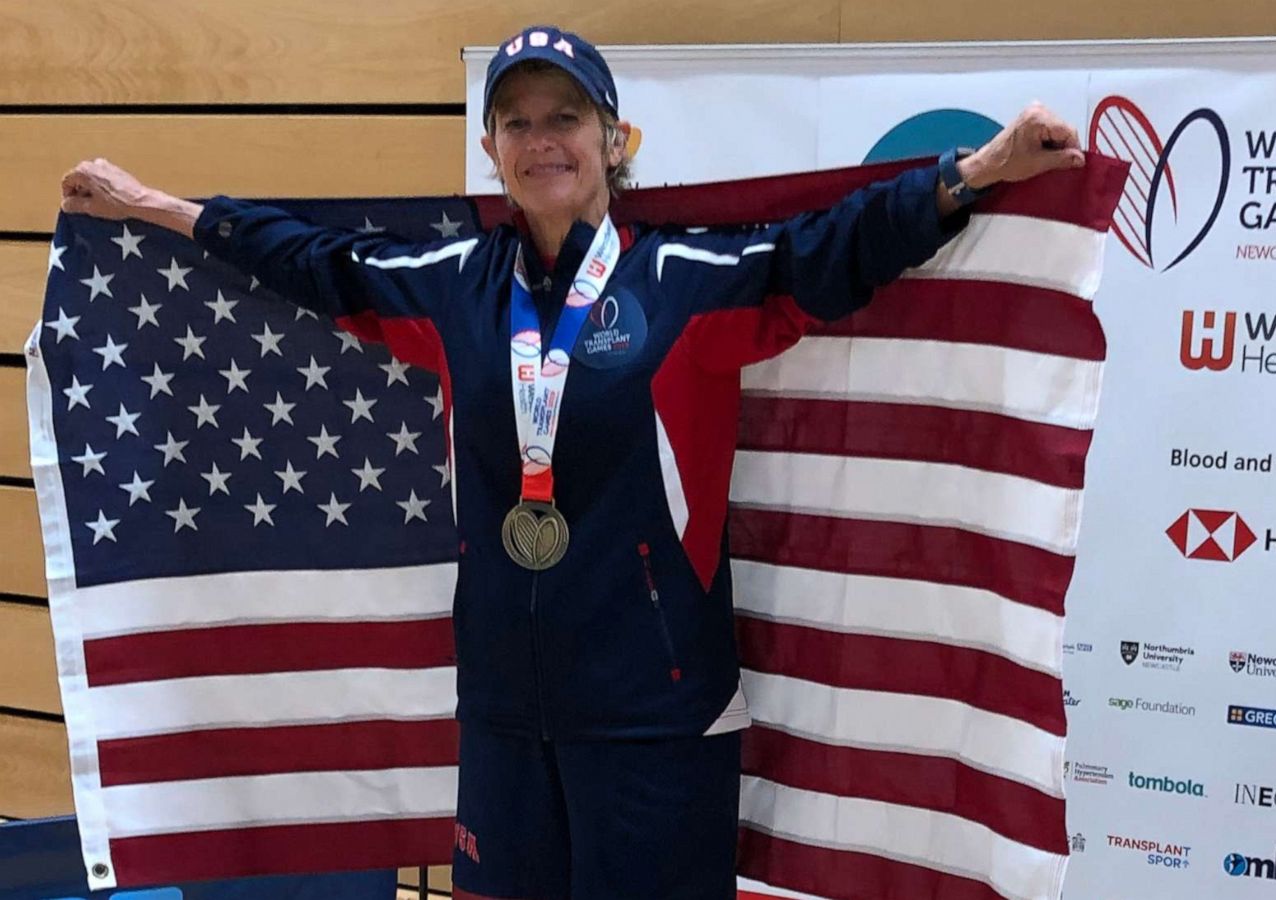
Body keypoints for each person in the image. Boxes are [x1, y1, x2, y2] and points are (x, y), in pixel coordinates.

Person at [60, 23, 1086, 900]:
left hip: (656, 716)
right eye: (517, 121)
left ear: (612, 138)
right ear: (489, 146)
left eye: (564, 117)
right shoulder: (453, 284)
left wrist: (982, 170)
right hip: (505, 714)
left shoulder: (689, 280)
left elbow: (835, 249)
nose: (540, 139)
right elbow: (316, 263)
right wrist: (154, 206)